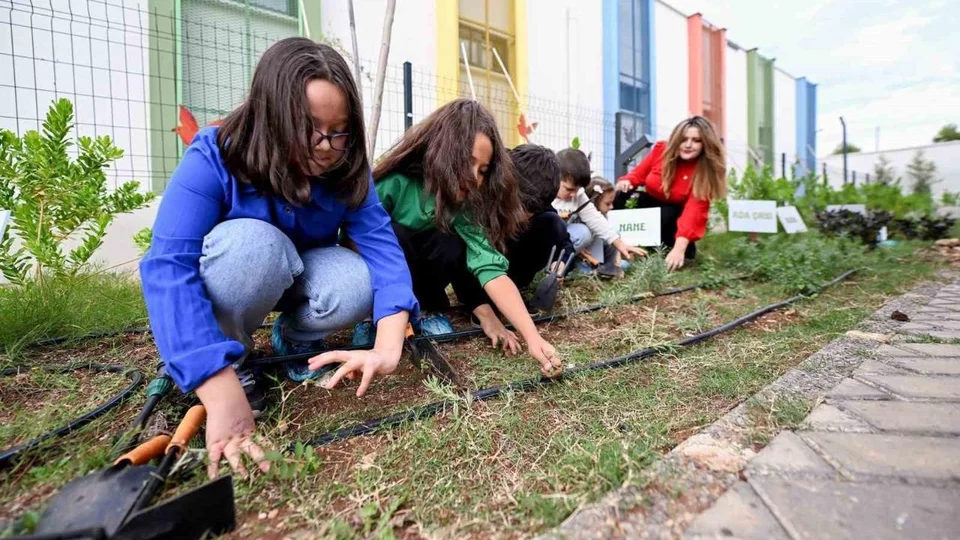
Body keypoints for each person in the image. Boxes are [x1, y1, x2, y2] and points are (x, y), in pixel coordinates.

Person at [139, 38, 418, 479]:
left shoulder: (347, 167)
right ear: (270, 117)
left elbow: (382, 251)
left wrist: (388, 345)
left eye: (339, 130)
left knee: (359, 281)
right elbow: (168, 267)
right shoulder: (215, 155)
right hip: (239, 273)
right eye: (309, 128)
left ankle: (296, 338)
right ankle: (229, 361)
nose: (326, 146)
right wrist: (214, 384)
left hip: (298, 277)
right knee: (254, 246)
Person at [370, 99, 562, 377]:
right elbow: (359, 241)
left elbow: (492, 271)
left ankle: (427, 308)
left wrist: (532, 337)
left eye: (483, 170)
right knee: (394, 236)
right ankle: (375, 316)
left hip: (421, 275)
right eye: (467, 162)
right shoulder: (394, 183)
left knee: (448, 240)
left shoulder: (463, 207)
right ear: (441, 150)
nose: (474, 177)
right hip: (381, 273)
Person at [449, 144, 574, 352]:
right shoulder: (479, 192)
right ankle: (482, 304)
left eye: (526, 211)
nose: (517, 214)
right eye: (514, 205)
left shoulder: (539, 202)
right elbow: (460, 253)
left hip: (507, 267)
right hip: (476, 270)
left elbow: (565, 244)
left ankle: (510, 293)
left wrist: (559, 266)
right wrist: (486, 314)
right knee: (456, 239)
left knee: (553, 224)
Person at [614, 116, 727, 271]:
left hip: (674, 219)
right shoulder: (661, 150)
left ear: (705, 144)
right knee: (621, 196)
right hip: (652, 206)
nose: (688, 145)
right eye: (684, 139)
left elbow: (693, 212)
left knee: (668, 213)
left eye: (696, 140)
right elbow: (639, 173)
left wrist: (679, 248)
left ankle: (669, 249)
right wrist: (627, 181)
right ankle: (616, 246)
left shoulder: (703, 172)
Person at [553, 148, 646, 265]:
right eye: (569, 189)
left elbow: (595, 219)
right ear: (554, 177)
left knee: (583, 233)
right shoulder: (543, 192)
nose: (574, 194)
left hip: (563, 242)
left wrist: (620, 244)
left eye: (577, 189)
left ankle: (559, 264)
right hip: (542, 240)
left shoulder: (578, 195)